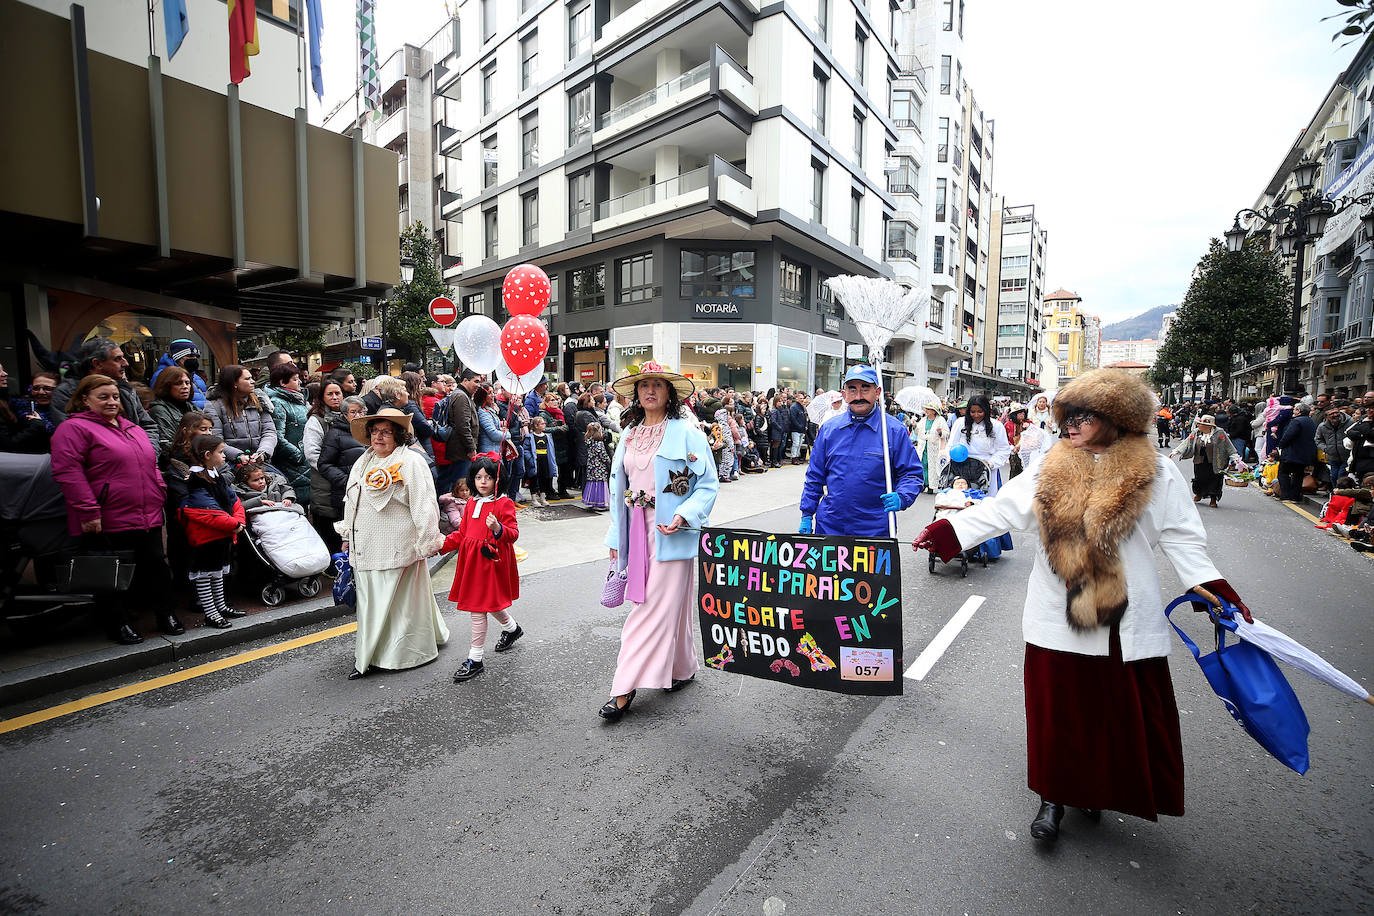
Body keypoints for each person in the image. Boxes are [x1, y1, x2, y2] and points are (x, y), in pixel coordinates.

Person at [913, 369, 1251, 842]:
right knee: (1058, 711)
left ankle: (1096, 790)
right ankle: (1053, 795)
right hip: (1059, 611)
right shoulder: (1052, 462)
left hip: (1122, 617)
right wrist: (950, 531)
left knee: (1110, 712)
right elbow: (1004, 507)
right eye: (1065, 415)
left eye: (1082, 416)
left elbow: (1181, 534)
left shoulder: (1154, 467)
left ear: (1115, 417)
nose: (1069, 425)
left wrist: (1208, 583)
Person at [600, 361, 719, 722]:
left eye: (658, 385)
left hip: (671, 532)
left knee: (648, 606)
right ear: (636, 394)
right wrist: (614, 536)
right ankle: (682, 668)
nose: (650, 390)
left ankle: (624, 687)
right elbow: (615, 488)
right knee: (674, 605)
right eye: (643, 385)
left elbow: (707, 483)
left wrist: (684, 514)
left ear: (670, 395)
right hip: (635, 528)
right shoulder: (631, 434)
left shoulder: (687, 431)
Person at [49, 374, 182, 642]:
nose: (111, 401)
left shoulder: (132, 428)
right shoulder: (74, 429)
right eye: (103, 397)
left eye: (115, 396)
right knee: (111, 573)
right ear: (85, 399)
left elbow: (151, 464)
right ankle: (117, 623)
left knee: (156, 566)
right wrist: (88, 511)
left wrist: (159, 490)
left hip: (147, 513)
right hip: (106, 515)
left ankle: (165, 614)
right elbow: (68, 472)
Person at [335, 406, 448, 679]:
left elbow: (424, 505)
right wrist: (348, 536)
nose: (379, 437)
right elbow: (352, 501)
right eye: (374, 431)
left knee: (399, 605)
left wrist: (427, 541)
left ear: (399, 435)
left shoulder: (412, 462)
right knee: (373, 603)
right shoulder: (363, 461)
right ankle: (374, 651)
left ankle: (400, 653)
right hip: (366, 547)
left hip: (398, 547)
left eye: (386, 432)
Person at [799, 365, 924, 538]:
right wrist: (806, 513)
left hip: (876, 528)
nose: (858, 396)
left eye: (865, 389)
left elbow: (912, 474)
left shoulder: (894, 431)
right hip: (831, 526)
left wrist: (902, 496)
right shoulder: (829, 430)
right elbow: (815, 476)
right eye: (852, 389)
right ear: (844, 395)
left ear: (877, 392)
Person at [443, 455, 524, 682]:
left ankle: (475, 659)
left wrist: (498, 527)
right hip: (472, 563)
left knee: (478, 608)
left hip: (492, 564)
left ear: (498, 479)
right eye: (478, 477)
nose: (483, 482)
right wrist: (440, 545)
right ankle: (512, 628)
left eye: (489, 477)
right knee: (488, 602)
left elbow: (513, 534)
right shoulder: (470, 503)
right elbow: (462, 534)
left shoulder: (504, 503)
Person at [177, 434, 247, 630]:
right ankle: (211, 613)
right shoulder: (195, 480)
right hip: (206, 536)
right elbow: (207, 510)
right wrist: (234, 524)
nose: (225, 456)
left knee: (217, 571)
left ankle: (221, 606)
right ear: (207, 455)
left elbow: (233, 500)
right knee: (204, 574)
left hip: (222, 534)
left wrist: (238, 521)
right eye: (221, 452)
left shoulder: (217, 476)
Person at [49, 338, 160, 443]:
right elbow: (72, 438)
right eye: (117, 359)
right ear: (97, 364)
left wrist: (147, 453)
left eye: (115, 397)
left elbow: (148, 426)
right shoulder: (66, 393)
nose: (125, 363)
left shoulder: (126, 390)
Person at [204, 365, 278, 465]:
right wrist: (238, 456)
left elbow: (269, 431)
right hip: (229, 463)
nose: (253, 381)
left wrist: (263, 452)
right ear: (234, 383)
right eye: (247, 379)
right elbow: (215, 440)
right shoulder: (214, 407)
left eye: (252, 378)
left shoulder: (260, 401)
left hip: (259, 462)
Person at [1170, 415, 1239, 508]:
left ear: (1209, 426)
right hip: (1200, 460)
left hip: (1216, 461)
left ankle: (1213, 498)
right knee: (1199, 478)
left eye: (1201, 424)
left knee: (1215, 480)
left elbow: (1228, 446)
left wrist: (1236, 458)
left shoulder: (1220, 433)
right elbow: (1186, 442)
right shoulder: (1196, 432)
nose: (1199, 426)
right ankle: (1199, 494)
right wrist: (1175, 451)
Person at [949, 394, 1012, 495]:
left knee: (985, 500)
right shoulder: (960, 423)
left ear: (986, 411)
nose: (976, 415)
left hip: (986, 469)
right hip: (962, 467)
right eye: (973, 412)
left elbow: (1003, 449)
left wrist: (991, 463)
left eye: (980, 412)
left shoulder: (996, 426)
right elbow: (952, 445)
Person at [0, 361, 50, 454]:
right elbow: (6, 444)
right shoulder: (21, 408)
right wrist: (36, 425)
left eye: (48, 388)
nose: (5, 374)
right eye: (36, 388)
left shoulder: (10, 401)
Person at [148, 366, 197, 459]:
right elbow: (167, 446)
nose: (185, 386)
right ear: (166, 386)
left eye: (187, 383)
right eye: (179, 383)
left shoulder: (193, 407)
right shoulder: (159, 410)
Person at [1276, 403, 1318, 502]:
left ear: (1299, 411)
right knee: (1298, 475)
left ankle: (1286, 495)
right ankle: (1295, 496)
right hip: (1305, 454)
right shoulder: (1311, 422)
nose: (1293, 411)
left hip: (1292, 452)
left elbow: (1288, 436)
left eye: (1295, 409)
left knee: (1283, 472)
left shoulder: (1296, 421)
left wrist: (1281, 445)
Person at [150, 339, 208, 408]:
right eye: (190, 356)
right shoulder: (162, 375)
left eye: (196, 356)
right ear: (178, 357)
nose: (194, 359)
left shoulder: (196, 377)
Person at [913, 400, 950, 492]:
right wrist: (914, 426)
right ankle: (923, 483)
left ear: (934, 411)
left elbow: (947, 433)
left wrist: (940, 432)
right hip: (923, 446)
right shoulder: (923, 420)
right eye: (926, 409)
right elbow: (918, 432)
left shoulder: (940, 420)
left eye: (929, 409)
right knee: (923, 464)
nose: (927, 411)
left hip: (934, 447)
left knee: (932, 466)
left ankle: (931, 485)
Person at [523, 415, 557, 507]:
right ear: (536, 426)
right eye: (542, 424)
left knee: (544, 478)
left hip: (545, 460)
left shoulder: (547, 436)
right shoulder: (530, 437)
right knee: (534, 479)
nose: (544, 425)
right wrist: (530, 459)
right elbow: (526, 450)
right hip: (534, 460)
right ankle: (534, 499)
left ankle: (543, 497)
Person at [582, 421, 611, 510]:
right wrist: (609, 461)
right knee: (600, 484)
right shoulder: (599, 443)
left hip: (591, 467)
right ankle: (600, 503)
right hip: (599, 468)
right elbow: (603, 455)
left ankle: (593, 502)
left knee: (592, 484)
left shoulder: (589, 442)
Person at [787, 394, 808, 464]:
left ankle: (796, 456)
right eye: (800, 398)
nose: (802, 399)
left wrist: (805, 425)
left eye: (803, 398)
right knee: (795, 444)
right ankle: (793, 457)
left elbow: (805, 417)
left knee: (799, 444)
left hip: (802, 429)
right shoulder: (794, 407)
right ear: (797, 399)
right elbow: (793, 418)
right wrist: (799, 426)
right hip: (795, 429)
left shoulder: (802, 407)